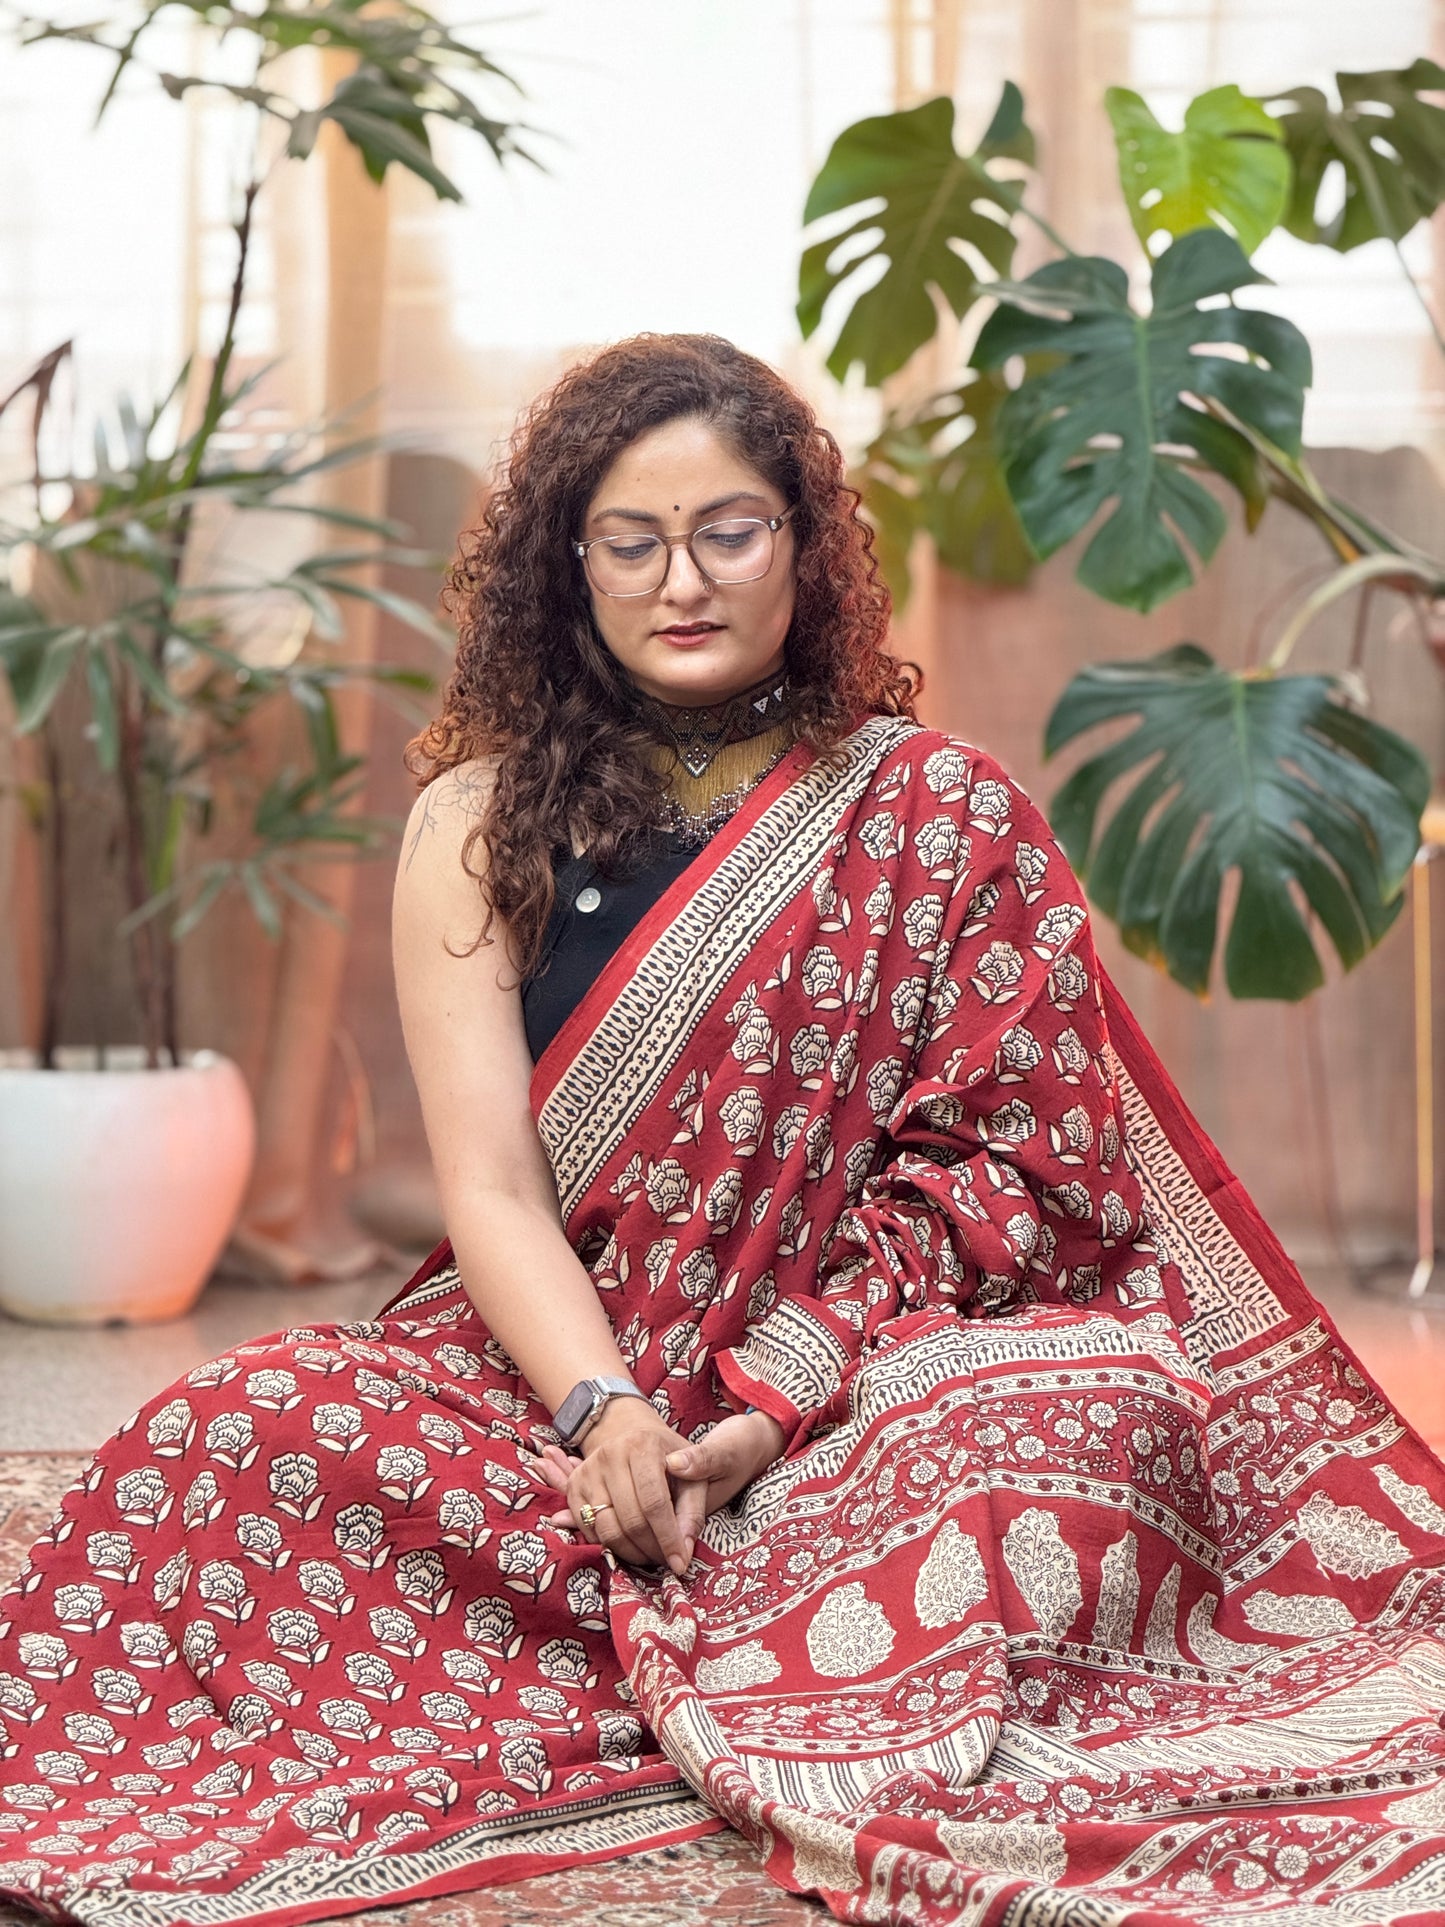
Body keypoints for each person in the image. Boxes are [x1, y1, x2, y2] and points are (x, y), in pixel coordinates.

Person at [3, 334, 1445, 1927]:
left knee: (1078, 1409)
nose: (678, 578)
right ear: (570, 568)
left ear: (803, 546)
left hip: (870, 1383)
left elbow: (1020, 1182)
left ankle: (722, 1584)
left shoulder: (936, 811)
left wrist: (777, 1395)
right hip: (557, 1384)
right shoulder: (476, 820)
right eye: (629, 541)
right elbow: (488, 1186)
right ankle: (751, 1600)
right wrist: (605, 1413)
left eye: (728, 530)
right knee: (245, 1424)